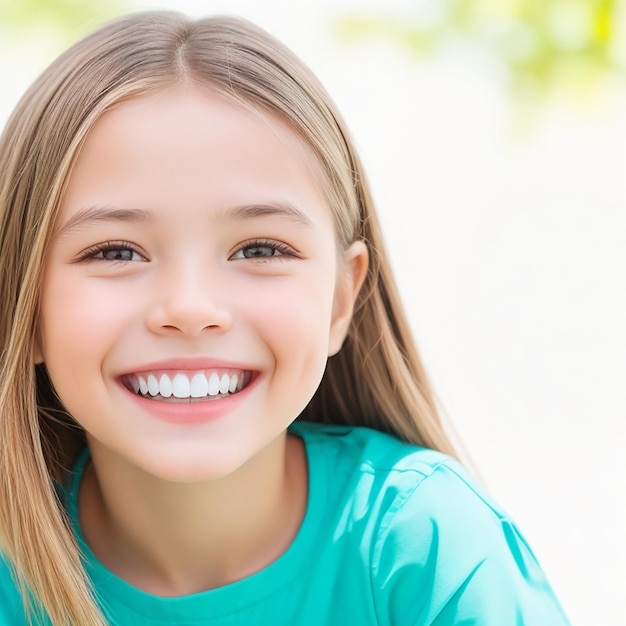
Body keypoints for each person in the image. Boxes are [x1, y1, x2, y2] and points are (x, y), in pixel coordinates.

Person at [0, 10, 570, 626]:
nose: (191, 309)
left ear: (338, 300)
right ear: (23, 305)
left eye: (260, 250)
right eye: (114, 251)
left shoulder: (427, 548)